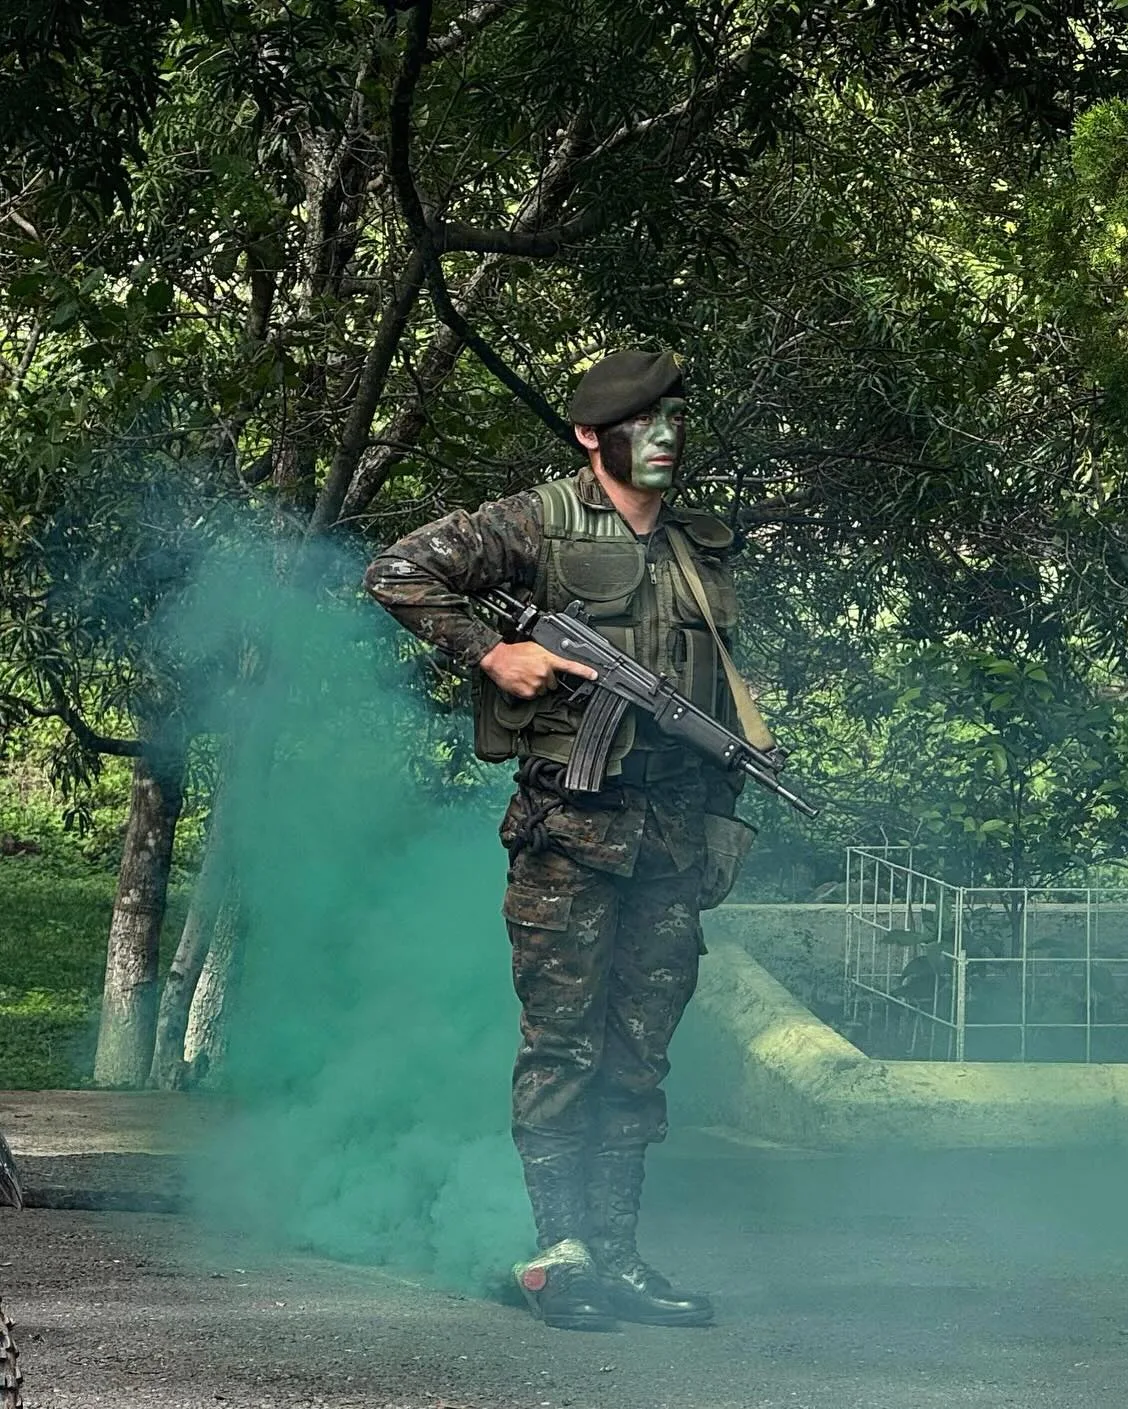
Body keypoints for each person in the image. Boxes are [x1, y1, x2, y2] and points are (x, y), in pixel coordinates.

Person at [363, 350, 758, 1331]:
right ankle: (559, 1250)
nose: (666, 434)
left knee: (639, 1057)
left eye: (675, 417)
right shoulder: (537, 519)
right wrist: (496, 649)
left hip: (670, 834)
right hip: (569, 830)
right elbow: (397, 569)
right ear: (593, 433)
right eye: (644, 419)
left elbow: (718, 688)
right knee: (564, 1046)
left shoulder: (696, 548)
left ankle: (617, 1252)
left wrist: (732, 788)